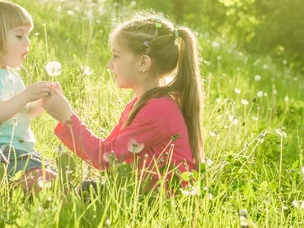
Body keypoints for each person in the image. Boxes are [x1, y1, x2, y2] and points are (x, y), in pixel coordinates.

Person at [43, 12, 204, 191]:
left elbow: (104, 157)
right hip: (140, 194)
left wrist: (67, 116)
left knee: (87, 190)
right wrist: (65, 117)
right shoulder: (142, 103)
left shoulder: (158, 110)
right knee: (84, 188)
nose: (109, 64)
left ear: (143, 63)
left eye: (116, 56)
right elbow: (105, 156)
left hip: (158, 203)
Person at [0, 0, 57, 191]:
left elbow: (24, 113)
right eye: (20, 35)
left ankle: (65, 190)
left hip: (21, 153)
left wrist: (42, 101)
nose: (27, 42)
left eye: (27, 36)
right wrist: (25, 96)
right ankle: (33, 188)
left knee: (50, 175)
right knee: (38, 178)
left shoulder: (12, 76)